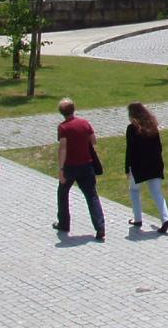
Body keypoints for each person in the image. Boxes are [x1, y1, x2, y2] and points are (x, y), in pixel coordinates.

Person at [53, 98, 105, 241]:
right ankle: (100, 226)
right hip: (86, 165)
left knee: (62, 193)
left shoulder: (63, 128)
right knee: (91, 195)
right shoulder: (84, 123)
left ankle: (64, 224)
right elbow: (93, 141)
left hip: (70, 167)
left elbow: (62, 148)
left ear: (61, 113)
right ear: (74, 109)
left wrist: (61, 169)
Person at [124, 103, 168, 234]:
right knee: (157, 192)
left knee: (134, 190)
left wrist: (127, 168)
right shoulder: (153, 127)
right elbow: (159, 147)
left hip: (138, 165)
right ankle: (165, 218)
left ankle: (138, 219)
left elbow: (130, 151)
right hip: (155, 164)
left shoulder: (132, 129)